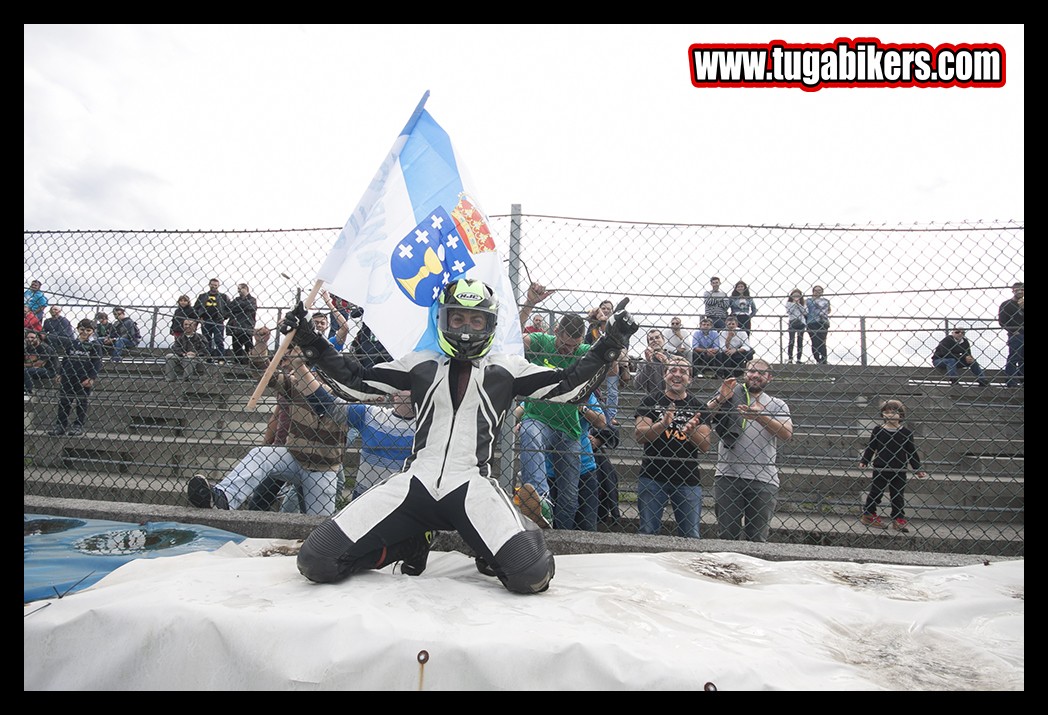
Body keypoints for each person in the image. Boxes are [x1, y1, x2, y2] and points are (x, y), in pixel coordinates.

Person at [284, 278, 638, 595]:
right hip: (415, 482)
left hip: (471, 485)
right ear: (444, 320)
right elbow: (358, 380)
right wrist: (309, 337)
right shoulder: (420, 362)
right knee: (316, 561)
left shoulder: (507, 367)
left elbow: (567, 385)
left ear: (490, 324)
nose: (466, 328)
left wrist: (611, 340)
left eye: (476, 320)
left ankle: (494, 545)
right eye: (458, 318)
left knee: (532, 573)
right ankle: (409, 544)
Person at [187, 337, 348, 516]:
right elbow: (264, 372)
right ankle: (224, 497)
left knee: (320, 524)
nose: (317, 375)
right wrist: (261, 344)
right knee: (261, 454)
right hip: (293, 457)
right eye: (315, 371)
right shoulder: (296, 384)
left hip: (323, 468)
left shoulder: (345, 398)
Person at [517, 284, 598, 530]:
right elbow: (512, 337)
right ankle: (539, 501)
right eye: (564, 345)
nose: (568, 351)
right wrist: (530, 304)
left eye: (574, 346)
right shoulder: (542, 341)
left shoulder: (583, 351)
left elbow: (615, 358)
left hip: (569, 426)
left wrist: (601, 326)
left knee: (569, 494)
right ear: (556, 332)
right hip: (538, 417)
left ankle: (559, 532)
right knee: (528, 432)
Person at [707, 358, 793, 542]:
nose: (755, 375)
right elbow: (703, 416)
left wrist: (760, 417)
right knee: (726, 537)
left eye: (761, 372)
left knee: (757, 539)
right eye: (751, 371)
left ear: (769, 377)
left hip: (763, 478)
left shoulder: (777, 404)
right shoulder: (729, 394)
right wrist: (720, 399)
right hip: (728, 475)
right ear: (745, 374)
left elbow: (786, 433)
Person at [634, 355, 712, 539]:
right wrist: (662, 424)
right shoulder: (649, 401)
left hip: (687, 479)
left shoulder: (698, 406)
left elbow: (705, 446)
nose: (677, 375)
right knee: (647, 534)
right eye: (672, 370)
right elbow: (639, 435)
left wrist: (691, 431)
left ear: (690, 379)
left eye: (683, 372)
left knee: (690, 537)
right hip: (653, 476)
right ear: (664, 375)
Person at [859, 399, 927, 533]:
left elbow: (911, 452)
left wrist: (917, 468)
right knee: (876, 492)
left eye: (894, 412)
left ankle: (898, 518)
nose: (890, 415)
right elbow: (871, 447)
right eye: (887, 412)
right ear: (882, 414)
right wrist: (865, 460)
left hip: (899, 469)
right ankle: (868, 513)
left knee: (897, 495)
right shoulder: (878, 430)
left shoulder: (906, 433)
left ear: (901, 415)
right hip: (880, 467)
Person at [48, 318, 103, 436]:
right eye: (82, 329)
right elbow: (66, 359)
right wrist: (60, 373)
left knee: (81, 402)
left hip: (83, 378)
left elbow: (97, 362)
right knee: (64, 401)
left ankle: (78, 425)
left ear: (92, 331)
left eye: (88, 330)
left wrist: (91, 378)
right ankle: (60, 425)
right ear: (78, 329)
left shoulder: (95, 345)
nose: (84, 333)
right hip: (68, 376)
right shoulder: (72, 343)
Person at [194, 278, 231, 361]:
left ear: (218, 286)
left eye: (215, 285)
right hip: (205, 320)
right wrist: (199, 317)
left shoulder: (223, 297)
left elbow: (229, 308)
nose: (214, 286)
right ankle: (208, 358)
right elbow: (196, 307)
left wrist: (223, 317)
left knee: (219, 339)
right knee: (206, 340)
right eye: (212, 284)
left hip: (218, 320)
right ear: (209, 285)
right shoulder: (202, 296)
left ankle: (220, 358)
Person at [997, 281, 1024, 388]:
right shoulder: (1006, 304)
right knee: (1014, 357)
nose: (1020, 291)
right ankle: (1011, 381)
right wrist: (1013, 331)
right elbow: (1002, 321)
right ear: (1013, 291)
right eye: (1018, 289)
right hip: (1015, 334)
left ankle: (1022, 380)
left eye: (1022, 289)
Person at [228, 283, 258, 364]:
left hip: (247, 325)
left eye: (240, 288)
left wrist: (240, 306)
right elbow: (232, 308)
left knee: (248, 344)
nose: (238, 290)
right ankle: (238, 362)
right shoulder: (236, 299)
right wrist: (243, 307)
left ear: (246, 289)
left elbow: (251, 307)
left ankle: (251, 361)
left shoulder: (252, 299)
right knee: (236, 346)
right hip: (236, 326)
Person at [635, 328, 671, 395]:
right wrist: (648, 364)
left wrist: (668, 365)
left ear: (664, 340)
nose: (654, 340)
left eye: (657, 337)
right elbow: (637, 385)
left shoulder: (674, 359)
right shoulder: (643, 363)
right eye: (651, 339)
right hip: (652, 400)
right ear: (648, 344)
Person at [24, 329, 58, 395]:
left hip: (49, 371)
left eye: (32, 337)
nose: (29, 339)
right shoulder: (29, 348)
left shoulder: (45, 347)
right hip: (34, 369)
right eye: (27, 337)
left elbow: (39, 364)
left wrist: (25, 364)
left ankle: (28, 391)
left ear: (38, 338)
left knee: (25, 371)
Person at [806, 284, 831, 364]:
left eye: (819, 290)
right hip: (812, 322)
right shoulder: (808, 301)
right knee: (814, 341)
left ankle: (824, 359)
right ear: (813, 292)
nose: (817, 292)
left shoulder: (826, 301)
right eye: (816, 290)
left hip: (823, 322)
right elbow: (805, 311)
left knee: (822, 341)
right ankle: (817, 359)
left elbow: (829, 310)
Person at [785, 289, 806, 363]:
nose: (796, 297)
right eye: (794, 295)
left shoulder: (803, 303)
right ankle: (790, 358)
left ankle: (798, 359)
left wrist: (799, 304)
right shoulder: (789, 303)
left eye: (798, 296)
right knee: (791, 340)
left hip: (801, 323)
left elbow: (805, 312)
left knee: (800, 341)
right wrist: (794, 304)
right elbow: (788, 311)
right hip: (792, 322)